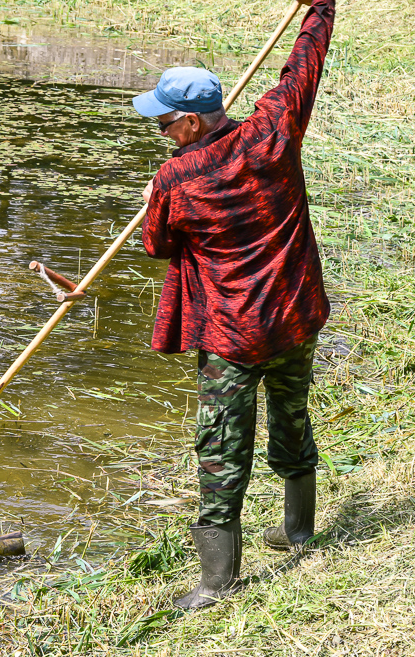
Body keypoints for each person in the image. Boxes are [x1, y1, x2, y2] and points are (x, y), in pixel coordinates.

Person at [131, 0, 336, 610]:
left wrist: (152, 198)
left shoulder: (177, 179)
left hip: (233, 336)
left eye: (165, 123)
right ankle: (299, 531)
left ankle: (216, 582)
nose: (161, 132)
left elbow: (158, 246)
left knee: (221, 448)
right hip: (296, 318)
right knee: (292, 416)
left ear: (193, 123)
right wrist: (320, 7)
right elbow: (305, 65)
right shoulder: (275, 128)